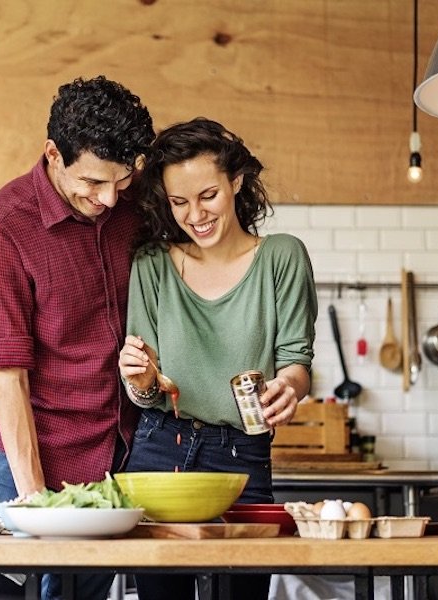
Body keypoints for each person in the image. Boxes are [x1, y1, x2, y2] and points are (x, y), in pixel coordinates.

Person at [0, 75, 155, 600]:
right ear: (53, 153)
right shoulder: (3, 226)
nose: (110, 198)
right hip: (31, 450)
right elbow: (8, 377)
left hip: (113, 458)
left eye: (121, 181)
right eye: (94, 183)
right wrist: (37, 504)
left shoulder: (130, 201)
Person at [118, 117, 318, 600]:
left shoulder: (282, 258)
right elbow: (144, 390)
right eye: (179, 202)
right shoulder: (151, 264)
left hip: (242, 456)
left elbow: (296, 362)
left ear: (237, 181)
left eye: (207, 195)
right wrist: (141, 378)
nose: (195, 215)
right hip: (160, 448)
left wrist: (288, 388)